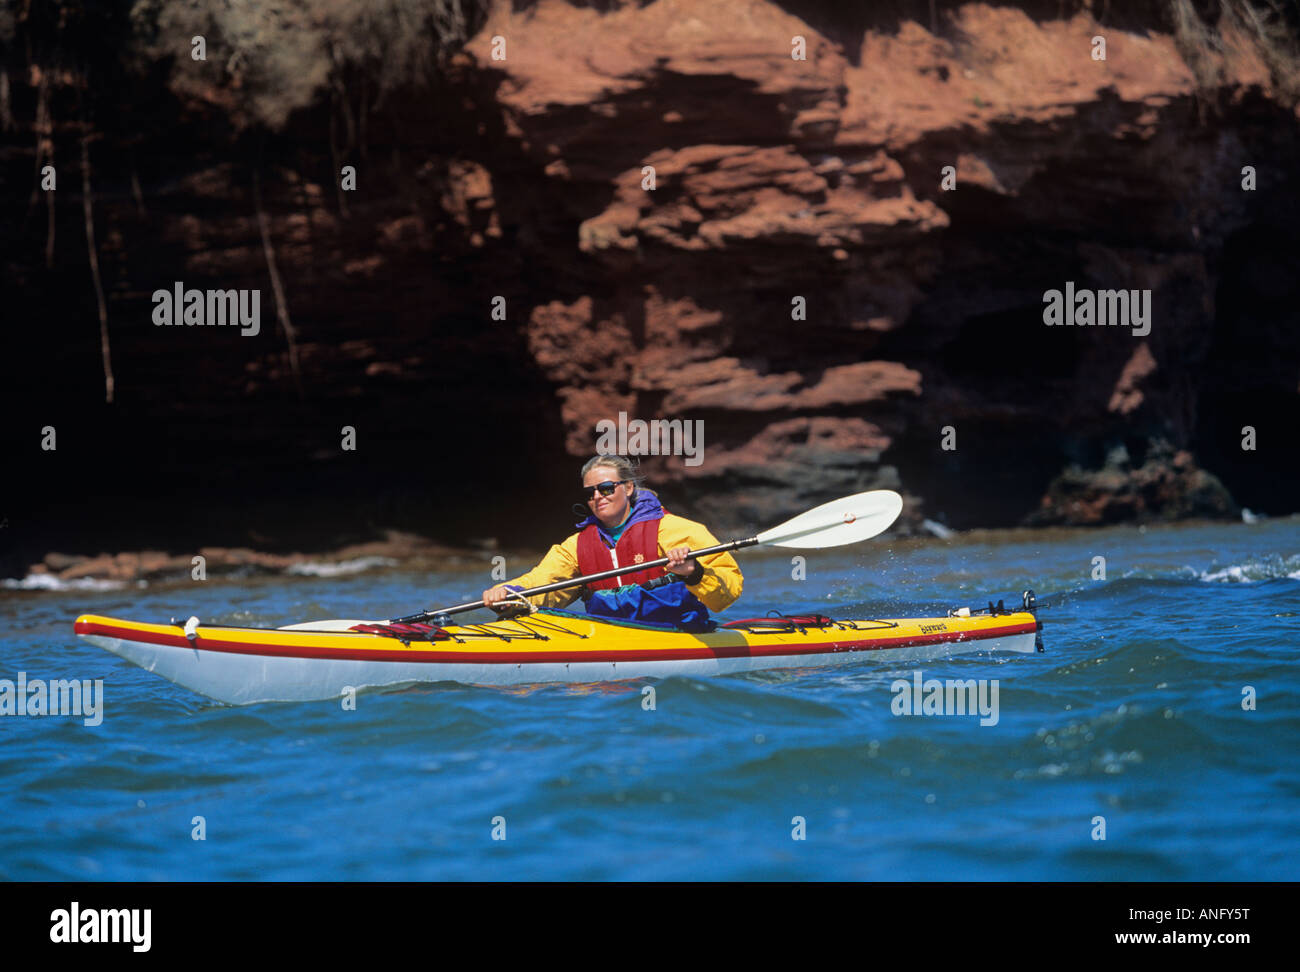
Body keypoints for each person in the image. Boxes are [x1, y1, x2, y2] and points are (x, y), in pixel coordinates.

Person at [482, 456, 742, 630]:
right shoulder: (576, 546)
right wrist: (509, 593)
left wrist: (694, 573)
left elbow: (728, 592)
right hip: (610, 637)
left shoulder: (675, 529)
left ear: (628, 488)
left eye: (606, 488)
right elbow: (543, 581)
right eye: (590, 492)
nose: (597, 496)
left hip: (679, 634)